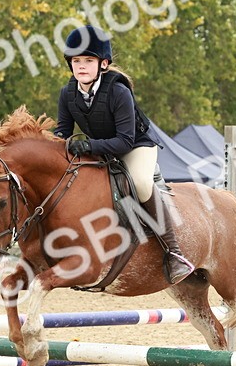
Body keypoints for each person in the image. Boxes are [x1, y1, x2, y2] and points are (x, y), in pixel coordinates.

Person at [55, 25, 195, 284]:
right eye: (76, 61)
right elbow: (62, 132)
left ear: (103, 64)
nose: (81, 66)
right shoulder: (68, 93)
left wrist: (89, 147)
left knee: (141, 183)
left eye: (88, 60)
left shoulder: (118, 91)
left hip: (135, 147)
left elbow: (124, 140)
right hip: (102, 148)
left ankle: (174, 253)